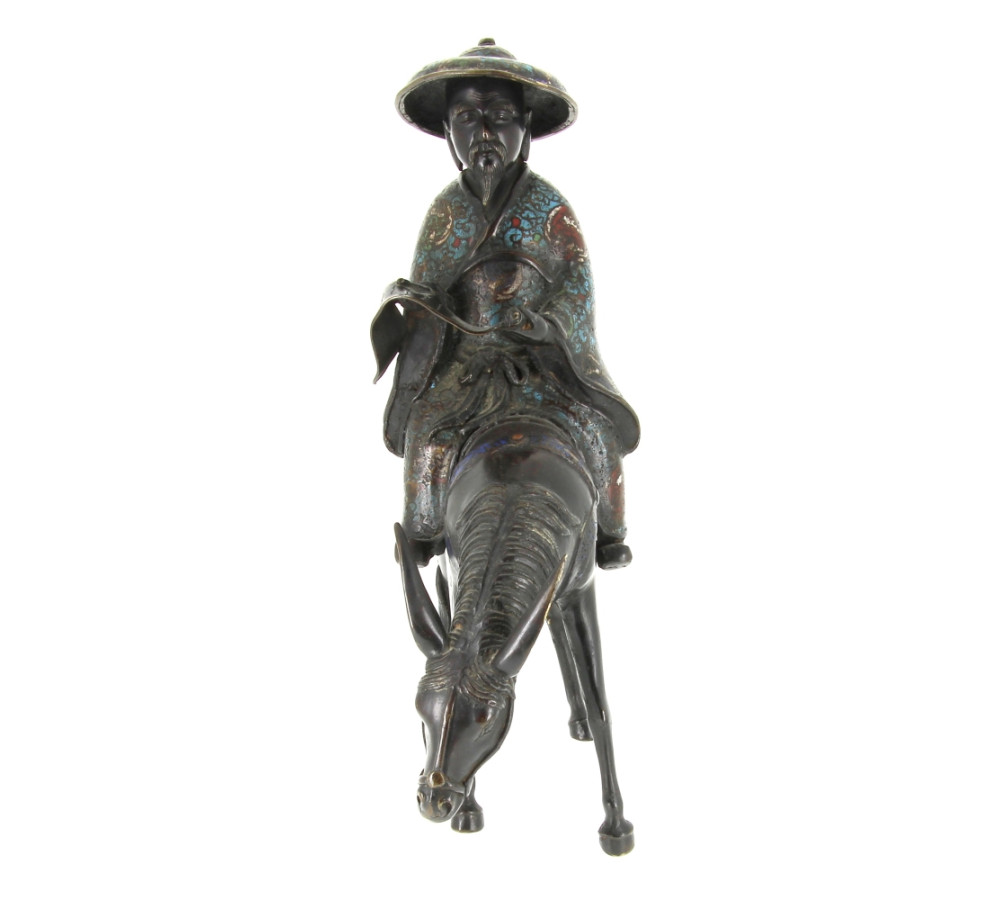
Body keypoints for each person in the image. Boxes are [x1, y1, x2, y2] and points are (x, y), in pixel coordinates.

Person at [372, 39, 639, 569]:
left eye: (499, 118)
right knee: (428, 433)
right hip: (466, 366)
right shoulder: (445, 211)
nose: (484, 134)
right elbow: (427, 293)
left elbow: (577, 286)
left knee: (595, 430)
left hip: (541, 365)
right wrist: (417, 306)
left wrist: (549, 326)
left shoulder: (549, 207)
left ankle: (609, 533)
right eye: (467, 119)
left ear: (525, 126)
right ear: (448, 130)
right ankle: (423, 529)